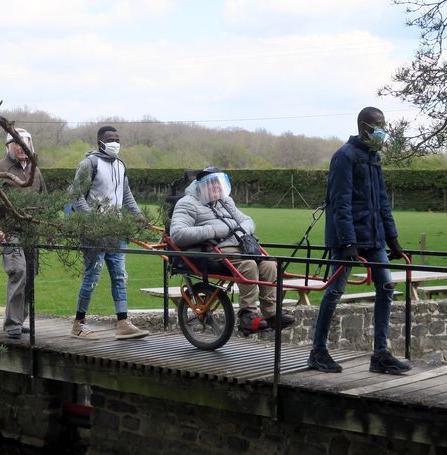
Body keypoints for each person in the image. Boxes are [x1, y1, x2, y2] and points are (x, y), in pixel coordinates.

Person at [307, 107, 411, 374]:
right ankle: (317, 351)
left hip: (374, 238)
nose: (383, 129)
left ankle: (380, 354)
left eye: (384, 124)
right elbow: (340, 203)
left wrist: (393, 239)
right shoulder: (344, 157)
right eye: (379, 125)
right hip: (347, 239)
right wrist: (348, 242)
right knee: (335, 290)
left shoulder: (374, 157)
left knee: (386, 287)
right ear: (364, 127)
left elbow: (382, 203)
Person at [169, 166, 295, 334]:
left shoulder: (225, 201)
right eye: (212, 184)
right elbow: (177, 234)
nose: (217, 188)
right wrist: (214, 230)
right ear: (202, 186)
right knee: (248, 265)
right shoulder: (187, 204)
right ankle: (247, 316)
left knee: (269, 265)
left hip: (238, 247)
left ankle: (271, 314)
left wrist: (238, 229)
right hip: (212, 250)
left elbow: (248, 221)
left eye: (219, 184)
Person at [69, 125, 149, 340]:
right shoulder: (89, 164)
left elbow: (126, 195)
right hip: (94, 233)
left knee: (120, 277)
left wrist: (140, 217)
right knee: (92, 277)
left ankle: (123, 322)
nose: (115, 142)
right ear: (100, 142)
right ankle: (78, 323)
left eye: (117, 138)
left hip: (117, 231)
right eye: (110, 139)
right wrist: (92, 221)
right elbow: (76, 198)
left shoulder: (121, 165)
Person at [0, 128, 47, 339]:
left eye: (25, 143)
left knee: (29, 277)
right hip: (9, 232)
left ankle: (19, 320)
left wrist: (46, 227)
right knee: (18, 272)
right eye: (17, 143)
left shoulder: (35, 171)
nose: (22, 147)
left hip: (32, 233)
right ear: (9, 145)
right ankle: (12, 325)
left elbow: (44, 200)